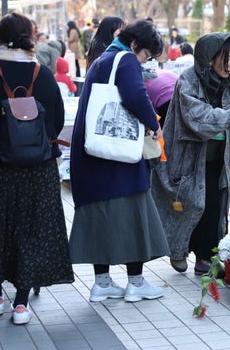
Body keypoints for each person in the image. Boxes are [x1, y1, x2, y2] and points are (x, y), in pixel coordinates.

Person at [0, 12, 73, 325]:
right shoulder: (42, 73)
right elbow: (56, 121)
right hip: (40, 167)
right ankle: (21, 304)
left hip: (0, 165)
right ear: (30, 36)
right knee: (30, 231)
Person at [150, 32, 230, 275]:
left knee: (212, 207)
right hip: (189, 157)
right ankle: (178, 250)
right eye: (226, 58)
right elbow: (196, 117)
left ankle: (205, 258)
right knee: (188, 205)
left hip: (217, 157)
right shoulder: (188, 81)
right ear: (210, 57)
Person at [69, 19, 170, 303]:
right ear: (135, 44)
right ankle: (136, 283)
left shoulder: (102, 59)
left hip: (91, 148)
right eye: (146, 54)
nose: (145, 61)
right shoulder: (125, 59)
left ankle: (102, 283)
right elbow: (135, 95)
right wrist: (153, 125)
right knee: (133, 211)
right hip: (118, 152)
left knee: (100, 214)